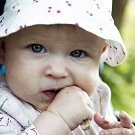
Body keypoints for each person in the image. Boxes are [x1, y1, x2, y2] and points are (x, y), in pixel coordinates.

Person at [0, 0, 127, 135]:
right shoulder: (4, 108)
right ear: (3, 50)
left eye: (77, 53)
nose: (57, 72)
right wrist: (57, 120)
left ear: (100, 53)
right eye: (37, 48)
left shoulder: (97, 95)